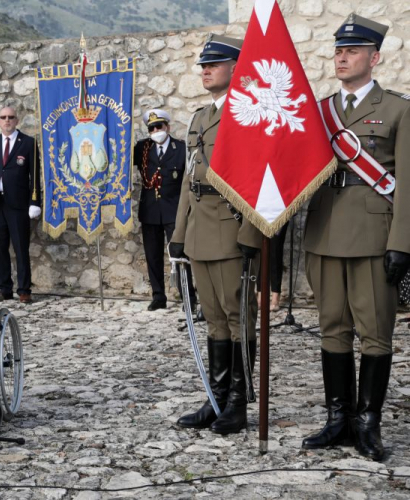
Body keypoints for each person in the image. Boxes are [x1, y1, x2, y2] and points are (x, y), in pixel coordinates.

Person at [301, 14, 410, 462]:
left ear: (374, 57)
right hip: (324, 230)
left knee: (376, 332)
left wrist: (402, 241)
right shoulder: (319, 111)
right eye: (338, 50)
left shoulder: (399, 109)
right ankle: (337, 418)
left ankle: (368, 423)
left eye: (352, 51)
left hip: (372, 232)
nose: (341, 57)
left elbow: (407, 181)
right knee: (332, 327)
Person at [169, 35, 262, 435]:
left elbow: (262, 183)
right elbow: (191, 181)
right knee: (214, 321)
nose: (205, 70)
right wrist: (178, 233)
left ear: (236, 69)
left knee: (238, 317)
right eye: (203, 66)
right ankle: (217, 396)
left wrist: (251, 234)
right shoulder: (200, 118)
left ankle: (239, 402)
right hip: (200, 234)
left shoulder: (250, 115)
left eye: (214, 64)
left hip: (231, 229)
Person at [0, 106, 41, 304]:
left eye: (11, 117)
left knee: (21, 248)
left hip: (19, 204)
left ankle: (24, 289)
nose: (7, 121)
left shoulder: (28, 143)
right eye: (3, 117)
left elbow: (35, 176)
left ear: (17, 120)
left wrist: (34, 201)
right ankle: (4, 288)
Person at [133, 108, 193, 311]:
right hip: (150, 210)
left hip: (174, 211)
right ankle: (158, 296)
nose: (156, 130)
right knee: (153, 255)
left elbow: (188, 179)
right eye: (151, 128)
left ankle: (188, 297)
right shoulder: (142, 148)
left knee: (181, 255)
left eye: (159, 126)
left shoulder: (180, 148)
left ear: (167, 126)